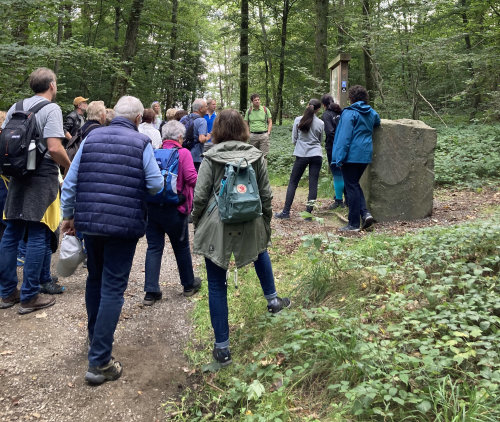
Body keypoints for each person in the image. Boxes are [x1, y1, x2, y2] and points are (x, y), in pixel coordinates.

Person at [60, 95, 163, 385]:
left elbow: (70, 182)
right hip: (124, 225)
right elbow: (155, 184)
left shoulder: (90, 139)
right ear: (138, 119)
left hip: (90, 223)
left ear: (111, 115)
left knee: (95, 279)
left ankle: (95, 338)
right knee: (113, 287)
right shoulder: (141, 143)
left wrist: (68, 216)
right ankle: (100, 361)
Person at [192, 109, 290, 366]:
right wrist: (265, 221)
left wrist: (196, 221)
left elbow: (200, 197)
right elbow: (266, 195)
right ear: (244, 129)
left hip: (218, 224)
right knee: (260, 252)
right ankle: (273, 300)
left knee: (216, 284)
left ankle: (222, 349)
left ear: (218, 131)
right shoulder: (256, 156)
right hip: (251, 219)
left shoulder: (210, 157)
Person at [0, 67, 71, 313]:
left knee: (11, 232)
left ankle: (8, 293)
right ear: (52, 85)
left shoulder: (15, 107)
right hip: (42, 177)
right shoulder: (52, 109)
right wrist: (69, 166)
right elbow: (54, 148)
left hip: (17, 174)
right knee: (39, 232)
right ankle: (30, 295)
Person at [143, 120, 201, 306]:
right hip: (176, 209)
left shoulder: (153, 152)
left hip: (152, 208)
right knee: (181, 247)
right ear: (179, 137)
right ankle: (188, 285)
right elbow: (192, 178)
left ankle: (151, 292)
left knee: (153, 247)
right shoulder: (183, 153)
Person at [332, 85, 380, 232]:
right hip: (365, 155)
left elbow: (344, 138)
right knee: (354, 184)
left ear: (351, 98)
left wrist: (338, 158)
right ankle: (365, 214)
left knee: (350, 186)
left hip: (351, 156)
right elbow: (377, 122)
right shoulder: (371, 113)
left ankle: (353, 224)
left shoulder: (349, 113)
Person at [275, 99, 324, 220]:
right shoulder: (321, 123)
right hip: (316, 155)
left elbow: (294, 139)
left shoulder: (298, 120)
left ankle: (286, 212)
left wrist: (301, 145)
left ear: (308, 106)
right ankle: (308, 214)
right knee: (313, 184)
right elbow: (320, 140)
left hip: (301, 154)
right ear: (318, 109)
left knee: (293, 183)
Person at [321, 95, 345, 209]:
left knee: (336, 173)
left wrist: (337, 143)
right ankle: (347, 199)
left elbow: (330, 132)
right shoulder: (341, 112)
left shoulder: (326, 115)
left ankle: (339, 200)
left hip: (333, 147)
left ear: (323, 105)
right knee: (344, 172)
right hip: (346, 145)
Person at [187, 99, 211, 172]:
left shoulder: (185, 118)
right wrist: (208, 136)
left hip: (184, 155)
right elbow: (201, 139)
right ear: (200, 109)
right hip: (196, 156)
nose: (207, 108)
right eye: (206, 106)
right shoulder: (202, 121)